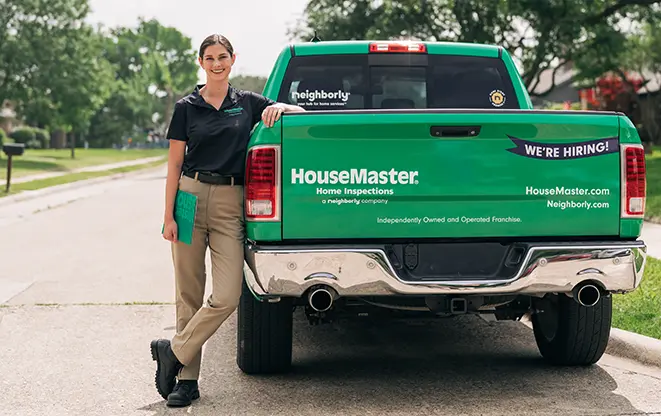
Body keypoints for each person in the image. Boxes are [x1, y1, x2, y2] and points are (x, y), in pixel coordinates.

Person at [150, 34, 305, 407]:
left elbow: (298, 115)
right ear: (200, 62)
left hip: (230, 202)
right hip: (189, 196)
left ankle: (174, 350)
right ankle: (186, 382)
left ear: (232, 60)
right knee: (188, 292)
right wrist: (168, 214)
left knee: (226, 295)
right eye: (209, 57)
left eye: (222, 57)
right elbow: (173, 164)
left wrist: (279, 107)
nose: (216, 63)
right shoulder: (186, 106)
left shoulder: (247, 102)